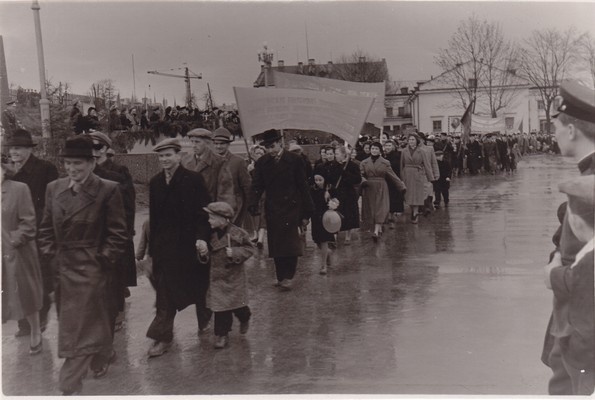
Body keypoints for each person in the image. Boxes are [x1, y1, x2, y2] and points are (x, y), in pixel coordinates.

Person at [37, 136, 127, 395]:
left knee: (77, 330)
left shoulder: (108, 189)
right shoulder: (54, 188)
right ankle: (104, 351)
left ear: (91, 163)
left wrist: (102, 261)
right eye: (67, 163)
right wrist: (50, 255)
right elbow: (45, 228)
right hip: (63, 268)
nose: (72, 169)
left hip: (91, 269)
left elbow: (118, 234)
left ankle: (69, 385)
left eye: (78, 163)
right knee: (77, 322)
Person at [541, 79, 595, 395]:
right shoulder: (586, 176)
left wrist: (555, 275)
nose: (555, 134)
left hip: (582, 335)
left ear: (572, 130)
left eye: (556, 125)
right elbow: (562, 242)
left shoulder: (590, 183)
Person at [146, 138, 212, 358]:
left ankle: (206, 318)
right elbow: (153, 220)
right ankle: (163, 337)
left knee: (199, 288)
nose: (164, 159)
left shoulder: (193, 180)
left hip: (190, 246)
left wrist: (203, 239)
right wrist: (151, 252)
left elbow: (204, 214)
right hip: (165, 249)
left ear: (179, 155)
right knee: (165, 293)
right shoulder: (155, 183)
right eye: (161, 156)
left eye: (168, 155)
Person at [5, 129, 58, 336]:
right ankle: (24, 323)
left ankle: (41, 316)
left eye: (18, 148)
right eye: (11, 148)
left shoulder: (45, 169)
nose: (13, 152)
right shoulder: (8, 173)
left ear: (29, 149)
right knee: (17, 278)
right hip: (15, 234)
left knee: (40, 276)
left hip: (39, 232)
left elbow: (52, 202)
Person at [248, 129, 314, 291]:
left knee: (290, 243)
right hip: (272, 207)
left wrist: (308, 210)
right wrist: (253, 202)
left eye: (272, 146)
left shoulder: (295, 160)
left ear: (280, 143)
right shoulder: (262, 162)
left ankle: (288, 276)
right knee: (276, 244)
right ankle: (280, 276)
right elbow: (257, 186)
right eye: (268, 147)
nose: (270, 150)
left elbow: (303, 186)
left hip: (292, 207)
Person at [197, 202, 255, 349]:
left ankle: (245, 317)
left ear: (223, 219)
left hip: (233, 277)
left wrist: (235, 253)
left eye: (212, 218)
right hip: (217, 277)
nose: (209, 221)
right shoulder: (210, 234)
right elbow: (208, 254)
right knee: (220, 307)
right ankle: (222, 335)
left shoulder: (238, 233)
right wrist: (203, 253)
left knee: (238, 307)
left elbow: (249, 248)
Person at [1, 163, 44, 356]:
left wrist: (12, 240)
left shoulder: (19, 189)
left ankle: (35, 329)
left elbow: (29, 223)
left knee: (26, 294)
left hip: (17, 252)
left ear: (3, 169)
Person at [360, 141, 406, 241]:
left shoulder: (385, 163)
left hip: (381, 187)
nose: (374, 151)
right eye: (372, 149)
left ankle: (376, 231)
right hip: (369, 188)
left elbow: (393, 176)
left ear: (380, 150)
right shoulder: (364, 162)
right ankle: (377, 229)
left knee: (380, 209)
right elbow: (361, 175)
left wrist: (401, 186)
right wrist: (363, 181)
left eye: (376, 149)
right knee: (371, 209)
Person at [212, 127, 251, 227]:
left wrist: (248, 208)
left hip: (234, 207)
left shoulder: (238, 162)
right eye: (216, 143)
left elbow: (247, 187)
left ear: (228, 144)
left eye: (222, 143)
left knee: (232, 236)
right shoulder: (210, 162)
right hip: (215, 206)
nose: (218, 146)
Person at [328, 145, 362, 243]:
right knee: (336, 213)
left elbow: (357, 179)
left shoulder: (352, 165)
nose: (335, 156)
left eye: (337, 154)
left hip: (348, 193)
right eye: (335, 154)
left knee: (348, 214)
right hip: (337, 192)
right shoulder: (333, 165)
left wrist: (344, 173)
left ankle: (348, 234)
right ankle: (334, 233)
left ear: (344, 155)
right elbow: (330, 178)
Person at [400, 133, 434, 224]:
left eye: (413, 140)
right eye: (410, 140)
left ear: (417, 141)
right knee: (409, 195)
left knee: (417, 195)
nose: (411, 141)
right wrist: (401, 177)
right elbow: (401, 165)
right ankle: (413, 209)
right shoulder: (404, 151)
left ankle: (415, 212)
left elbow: (427, 164)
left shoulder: (422, 151)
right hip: (407, 174)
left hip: (418, 174)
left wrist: (430, 177)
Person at [310, 173, 337, 275]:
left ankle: (323, 266)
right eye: (316, 180)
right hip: (315, 218)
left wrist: (332, 201)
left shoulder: (330, 189)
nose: (318, 182)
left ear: (325, 179)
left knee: (324, 240)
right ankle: (328, 253)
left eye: (320, 180)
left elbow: (337, 201)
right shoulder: (312, 190)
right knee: (317, 241)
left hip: (326, 217)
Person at [246, 145, 267, 248]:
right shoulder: (249, 166)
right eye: (257, 153)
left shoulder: (266, 165)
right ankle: (256, 234)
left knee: (263, 215)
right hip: (254, 194)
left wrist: (253, 171)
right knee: (254, 214)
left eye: (262, 153)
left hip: (264, 193)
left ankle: (261, 239)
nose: (260, 155)